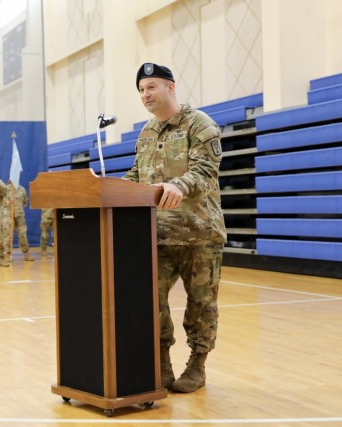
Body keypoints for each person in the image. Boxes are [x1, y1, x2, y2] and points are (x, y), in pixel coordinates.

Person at [123, 63, 226, 393]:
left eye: (151, 87)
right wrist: (106, 189)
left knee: (201, 304)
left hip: (200, 235)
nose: (145, 94)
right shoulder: (146, 132)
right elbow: (137, 176)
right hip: (158, 235)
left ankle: (197, 365)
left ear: (171, 87)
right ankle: (162, 362)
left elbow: (205, 172)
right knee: (150, 301)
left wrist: (179, 185)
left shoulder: (201, 125)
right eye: (141, 89)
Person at [9, 181, 34, 261]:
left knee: (23, 235)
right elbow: (1, 202)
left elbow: (25, 201)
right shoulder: (6, 189)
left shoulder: (22, 189)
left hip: (20, 215)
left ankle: (26, 254)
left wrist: (18, 208)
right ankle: (7, 255)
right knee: (8, 236)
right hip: (9, 215)